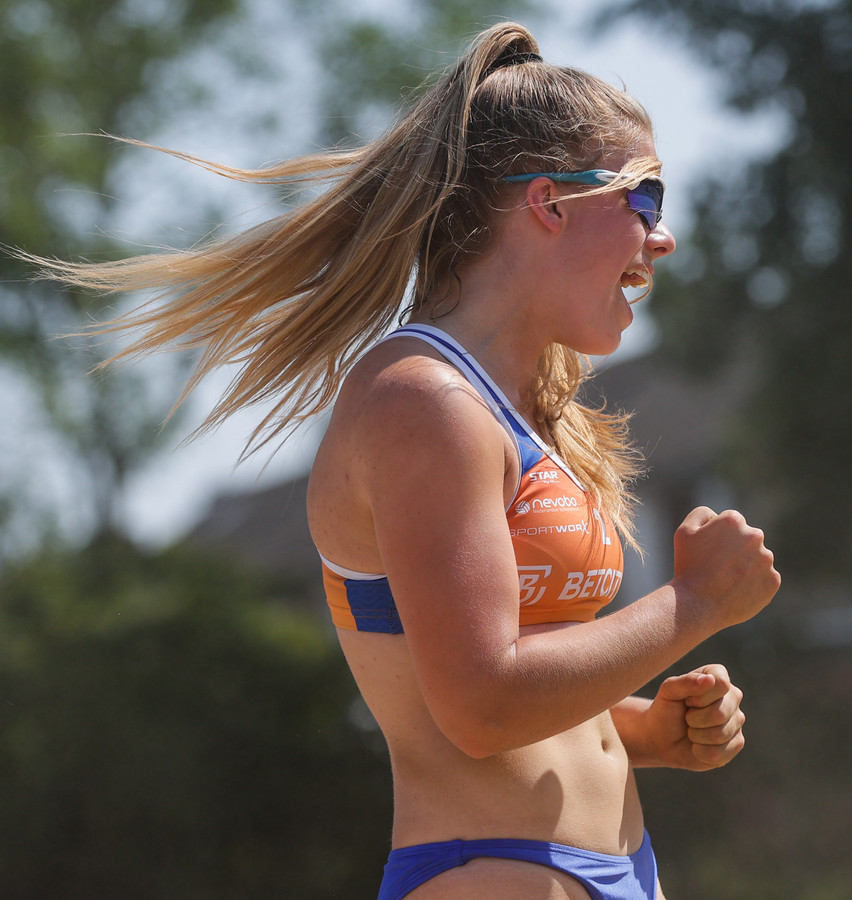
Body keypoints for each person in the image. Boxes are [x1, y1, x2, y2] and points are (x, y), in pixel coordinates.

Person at [32, 21, 779, 900]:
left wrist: (644, 732)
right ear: (549, 203)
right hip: (493, 873)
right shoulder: (424, 404)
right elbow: (480, 705)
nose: (662, 239)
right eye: (645, 199)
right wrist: (692, 605)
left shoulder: (520, 410)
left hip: (610, 869)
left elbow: (477, 679)